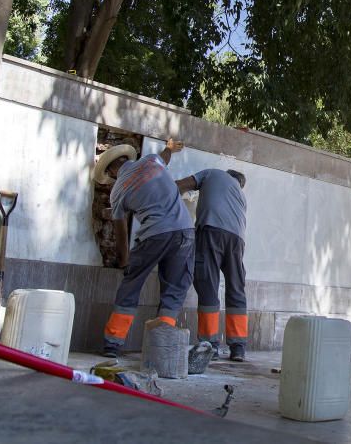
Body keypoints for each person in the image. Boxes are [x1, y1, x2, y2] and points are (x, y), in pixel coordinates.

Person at [95, 138, 194, 357]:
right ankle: (160, 345)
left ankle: (113, 343)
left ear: (111, 171)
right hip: (184, 231)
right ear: (126, 159)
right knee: (174, 288)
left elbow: (121, 231)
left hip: (154, 234)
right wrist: (169, 148)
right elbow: (164, 157)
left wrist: (124, 261)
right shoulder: (152, 161)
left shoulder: (118, 191)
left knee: (131, 285)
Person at [176, 168, 249, 362]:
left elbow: (179, 186)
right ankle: (238, 347)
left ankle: (210, 345)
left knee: (208, 286)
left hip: (211, 231)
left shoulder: (212, 174)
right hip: (237, 240)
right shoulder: (241, 198)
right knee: (236, 289)